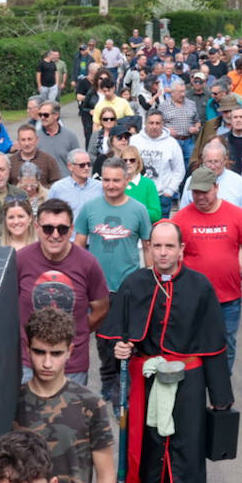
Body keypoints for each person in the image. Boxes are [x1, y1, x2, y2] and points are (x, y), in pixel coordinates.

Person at [98, 221, 234, 483]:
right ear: (149, 249)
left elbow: (215, 347)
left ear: (181, 249)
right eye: (156, 247)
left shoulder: (200, 287)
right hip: (145, 378)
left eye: (169, 247)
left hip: (189, 379)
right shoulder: (134, 284)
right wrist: (119, 351)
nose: (162, 253)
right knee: (149, 445)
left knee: (186, 452)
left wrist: (221, 399)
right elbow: (115, 335)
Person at [15, 307, 118, 483]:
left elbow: (107, 476)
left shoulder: (90, 405)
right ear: (28, 349)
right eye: (40, 352)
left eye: (56, 353)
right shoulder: (11, 404)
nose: (47, 363)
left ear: (70, 351)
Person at [75, 157, 153, 404]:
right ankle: (107, 380)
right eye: (106, 180)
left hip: (128, 286)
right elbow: (79, 245)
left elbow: (148, 245)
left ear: (126, 181)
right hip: (98, 288)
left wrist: (150, 278)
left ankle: (125, 383)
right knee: (103, 339)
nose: (110, 185)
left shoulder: (138, 210)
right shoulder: (90, 208)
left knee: (127, 337)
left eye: (116, 180)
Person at [16, 198, 110, 385]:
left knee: (72, 414)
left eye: (63, 229)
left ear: (72, 229)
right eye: (48, 228)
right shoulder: (21, 260)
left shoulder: (88, 263)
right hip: (29, 362)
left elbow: (101, 309)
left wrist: (76, 331)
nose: (55, 235)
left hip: (72, 365)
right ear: (36, 227)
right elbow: (6, 306)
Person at [173, 166, 242, 374]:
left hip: (228, 298)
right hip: (192, 299)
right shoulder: (181, 219)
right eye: (195, 192)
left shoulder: (236, 215)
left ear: (216, 187)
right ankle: (196, 388)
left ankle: (222, 391)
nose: (199, 197)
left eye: (204, 192)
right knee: (192, 345)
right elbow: (170, 256)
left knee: (226, 345)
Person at [177, 140, 242, 224]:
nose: (213, 166)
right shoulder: (192, 180)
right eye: (209, 162)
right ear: (203, 160)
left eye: (216, 161)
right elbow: (184, 212)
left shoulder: (239, 182)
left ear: (225, 160)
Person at [130, 109, 184, 218]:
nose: (154, 126)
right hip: (138, 193)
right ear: (145, 123)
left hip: (162, 195)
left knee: (160, 231)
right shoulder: (134, 141)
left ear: (163, 124)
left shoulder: (171, 143)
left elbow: (179, 170)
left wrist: (170, 190)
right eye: (151, 123)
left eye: (157, 123)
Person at [47, 149, 103, 219]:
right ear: (70, 166)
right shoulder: (58, 188)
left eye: (88, 164)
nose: (86, 168)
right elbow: (49, 213)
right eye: (82, 165)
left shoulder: (100, 187)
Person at [159, 80, 202, 168]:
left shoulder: (191, 104)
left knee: (191, 166)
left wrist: (196, 128)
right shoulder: (164, 106)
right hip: (171, 142)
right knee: (173, 166)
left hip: (189, 141)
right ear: (172, 93)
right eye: (180, 92)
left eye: (184, 91)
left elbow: (197, 121)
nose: (183, 94)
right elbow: (158, 124)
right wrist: (166, 131)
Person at [9, 123, 62, 188]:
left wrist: (39, 190)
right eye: (23, 140)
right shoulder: (10, 162)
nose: (27, 143)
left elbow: (57, 184)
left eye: (29, 139)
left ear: (37, 140)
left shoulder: (49, 161)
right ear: (18, 141)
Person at [117, 144, 161, 223]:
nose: (128, 163)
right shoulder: (115, 183)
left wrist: (134, 211)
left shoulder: (148, 184)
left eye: (132, 160)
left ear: (138, 162)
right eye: (125, 160)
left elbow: (156, 215)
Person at [36, 101, 82, 174]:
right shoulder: (35, 137)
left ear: (56, 115)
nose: (42, 117)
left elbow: (78, 161)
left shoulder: (70, 136)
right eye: (40, 114)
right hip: (43, 183)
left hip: (65, 182)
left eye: (46, 115)